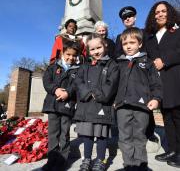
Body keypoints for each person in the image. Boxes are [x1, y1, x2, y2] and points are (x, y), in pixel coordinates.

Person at [114, 27, 162, 171]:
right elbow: (113, 84)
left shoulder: (147, 62)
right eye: (125, 43)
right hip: (122, 106)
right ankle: (129, 164)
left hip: (142, 106)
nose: (128, 46)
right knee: (125, 137)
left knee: (139, 137)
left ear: (140, 44)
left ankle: (140, 165)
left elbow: (156, 83)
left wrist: (156, 98)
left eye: (132, 42)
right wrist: (113, 99)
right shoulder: (118, 63)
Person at [74, 33, 119, 171]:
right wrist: (87, 93)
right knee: (87, 135)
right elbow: (78, 81)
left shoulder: (112, 64)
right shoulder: (84, 65)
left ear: (105, 46)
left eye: (98, 47)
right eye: (92, 49)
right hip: (86, 105)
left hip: (102, 105)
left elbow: (112, 83)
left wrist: (97, 94)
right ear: (88, 51)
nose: (96, 51)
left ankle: (100, 160)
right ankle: (87, 159)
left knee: (101, 136)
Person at [145, 1, 180, 168]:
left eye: (163, 11)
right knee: (167, 116)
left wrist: (164, 61)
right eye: (156, 12)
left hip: (175, 79)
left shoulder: (177, 30)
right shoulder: (150, 37)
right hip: (160, 83)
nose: (159, 14)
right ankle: (173, 149)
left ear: (169, 12)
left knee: (177, 116)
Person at [115, 6, 157, 143]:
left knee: (145, 101)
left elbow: (150, 51)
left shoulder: (144, 33)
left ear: (135, 18)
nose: (127, 18)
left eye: (130, 16)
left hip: (143, 70)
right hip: (126, 70)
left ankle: (149, 132)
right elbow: (117, 55)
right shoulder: (119, 37)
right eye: (124, 17)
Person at [42, 40, 80, 171]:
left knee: (64, 134)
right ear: (62, 53)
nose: (71, 57)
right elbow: (47, 81)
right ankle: (51, 160)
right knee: (53, 134)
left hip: (67, 106)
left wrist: (68, 93)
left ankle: (62, 161)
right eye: (68, 54)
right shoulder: (53, 67)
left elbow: (76, 86)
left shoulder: (78, 70)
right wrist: (56, 90)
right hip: (53, 105)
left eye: (74, 55)